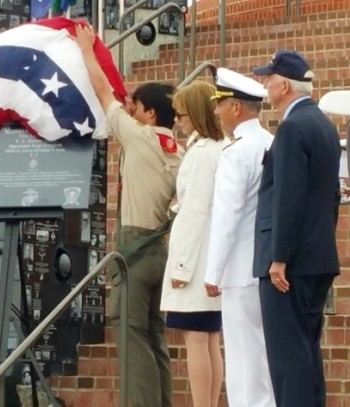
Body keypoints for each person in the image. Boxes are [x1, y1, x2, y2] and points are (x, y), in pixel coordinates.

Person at [74, 24, 182, 407]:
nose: (129, 111)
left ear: (150, 114)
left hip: (135, 252)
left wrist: (87, 47)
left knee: (129, 333)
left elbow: (103, 90)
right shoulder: (177, 150)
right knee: (154, 337)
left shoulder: (141, 137)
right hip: (159, 251)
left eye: (136, 107)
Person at [252, 49, 341, 407]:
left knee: (288, 362)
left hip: (290, 265)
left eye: (270, 78)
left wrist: (280, 257)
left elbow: (288, 197)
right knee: (306, 355)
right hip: (317, 256)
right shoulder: (323, 124)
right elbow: (330, 196)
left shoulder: (291, 128)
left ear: (285, 86)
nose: (266, 83)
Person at [203, 68, 276, 407]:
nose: (216, 112)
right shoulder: (272, 143)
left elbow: (227, 217)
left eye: (220, 104)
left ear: (235, 107)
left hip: (239, 270)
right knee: (264, 355)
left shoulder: (237, 152)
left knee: (243, 359)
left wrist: (213, 271)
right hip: (267, 263)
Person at [160, 80, 228, 407]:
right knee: (210, 338)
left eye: (181, 114)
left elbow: (195, 212)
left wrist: (182, 267)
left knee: (197, 339)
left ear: (196, 114)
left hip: (197, 257)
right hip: (209, 255)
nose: (177, 120)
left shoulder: (202, 153)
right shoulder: (217, 147)